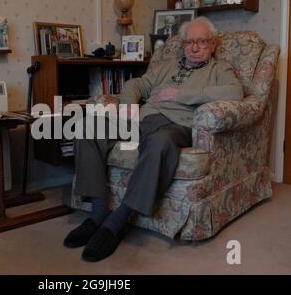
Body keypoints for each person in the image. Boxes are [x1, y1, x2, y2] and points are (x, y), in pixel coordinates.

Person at [64, 17, 244, 262]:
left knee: (160, 143)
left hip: (175, 125)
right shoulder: (168, 65)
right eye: (189, 42)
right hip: (140, 120)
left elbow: (235, 92)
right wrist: (129, 108)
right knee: (87, 127)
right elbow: (137, 84)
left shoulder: (219, 69)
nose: (194, 47)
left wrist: (181, 94)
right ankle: (98, 213)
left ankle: (117, 222)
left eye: (201, 42)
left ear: (212, 44)